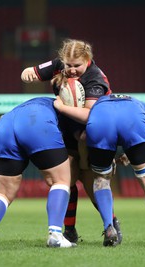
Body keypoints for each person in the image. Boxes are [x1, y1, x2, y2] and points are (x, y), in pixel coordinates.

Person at [21, 38, 122, 243]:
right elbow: (30, 72)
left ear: (88, 60)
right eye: (68, 65)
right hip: (67, 135)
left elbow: (88, 116)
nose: (72, 70)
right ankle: (69, 230)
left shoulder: (95, 79)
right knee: (66, 179)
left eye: (77, 66)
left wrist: (60, 107)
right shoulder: (60, 65)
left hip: (95, 137)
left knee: (92, 182)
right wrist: (27, 74)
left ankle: (110, 225)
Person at [0, 97, 76, 248]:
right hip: (36, 119)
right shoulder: (69, 110)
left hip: (5, 122)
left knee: (3, 192)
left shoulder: (43, 101)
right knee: (60, 181)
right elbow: (78, 141)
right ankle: (56, 235)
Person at [83, 93, 145, 246]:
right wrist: (131, 155)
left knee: (101, 179)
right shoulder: (141, 104)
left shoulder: (97, 104)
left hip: (100, 120)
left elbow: (84, 136)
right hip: (133, 119)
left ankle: (109, 228)